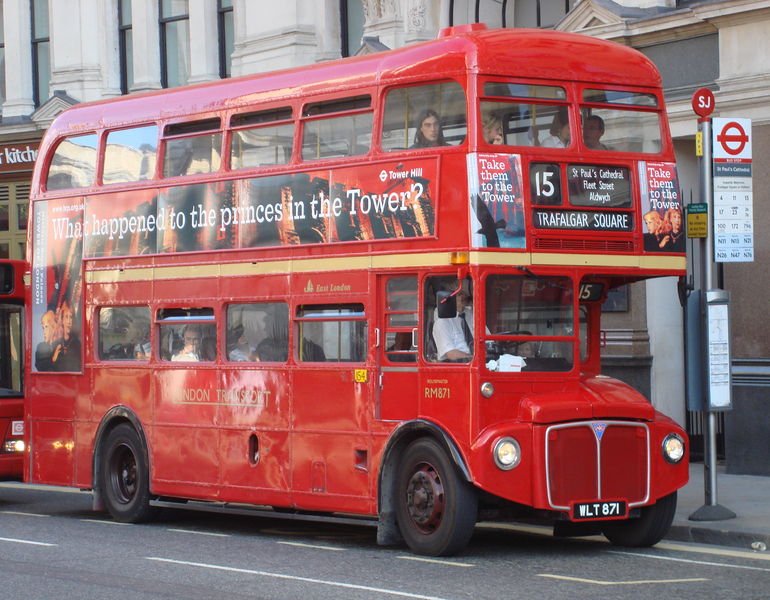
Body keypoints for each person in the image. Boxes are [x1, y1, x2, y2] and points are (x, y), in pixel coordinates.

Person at [432, 285, 474, 362]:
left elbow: (488, 340)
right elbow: (451, 354)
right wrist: (474, 358)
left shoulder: (472, 317)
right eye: (459, 294)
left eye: (464, 293)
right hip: (458, 367)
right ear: (449, 298)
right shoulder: (442, 322)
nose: (464, 296)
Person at [53, 300, 81, 371]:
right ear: (62, 320)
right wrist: (54, 359)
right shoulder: (55, 345)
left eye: (71, 317)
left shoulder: (78, 345)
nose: (69, 322)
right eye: (66, 317)